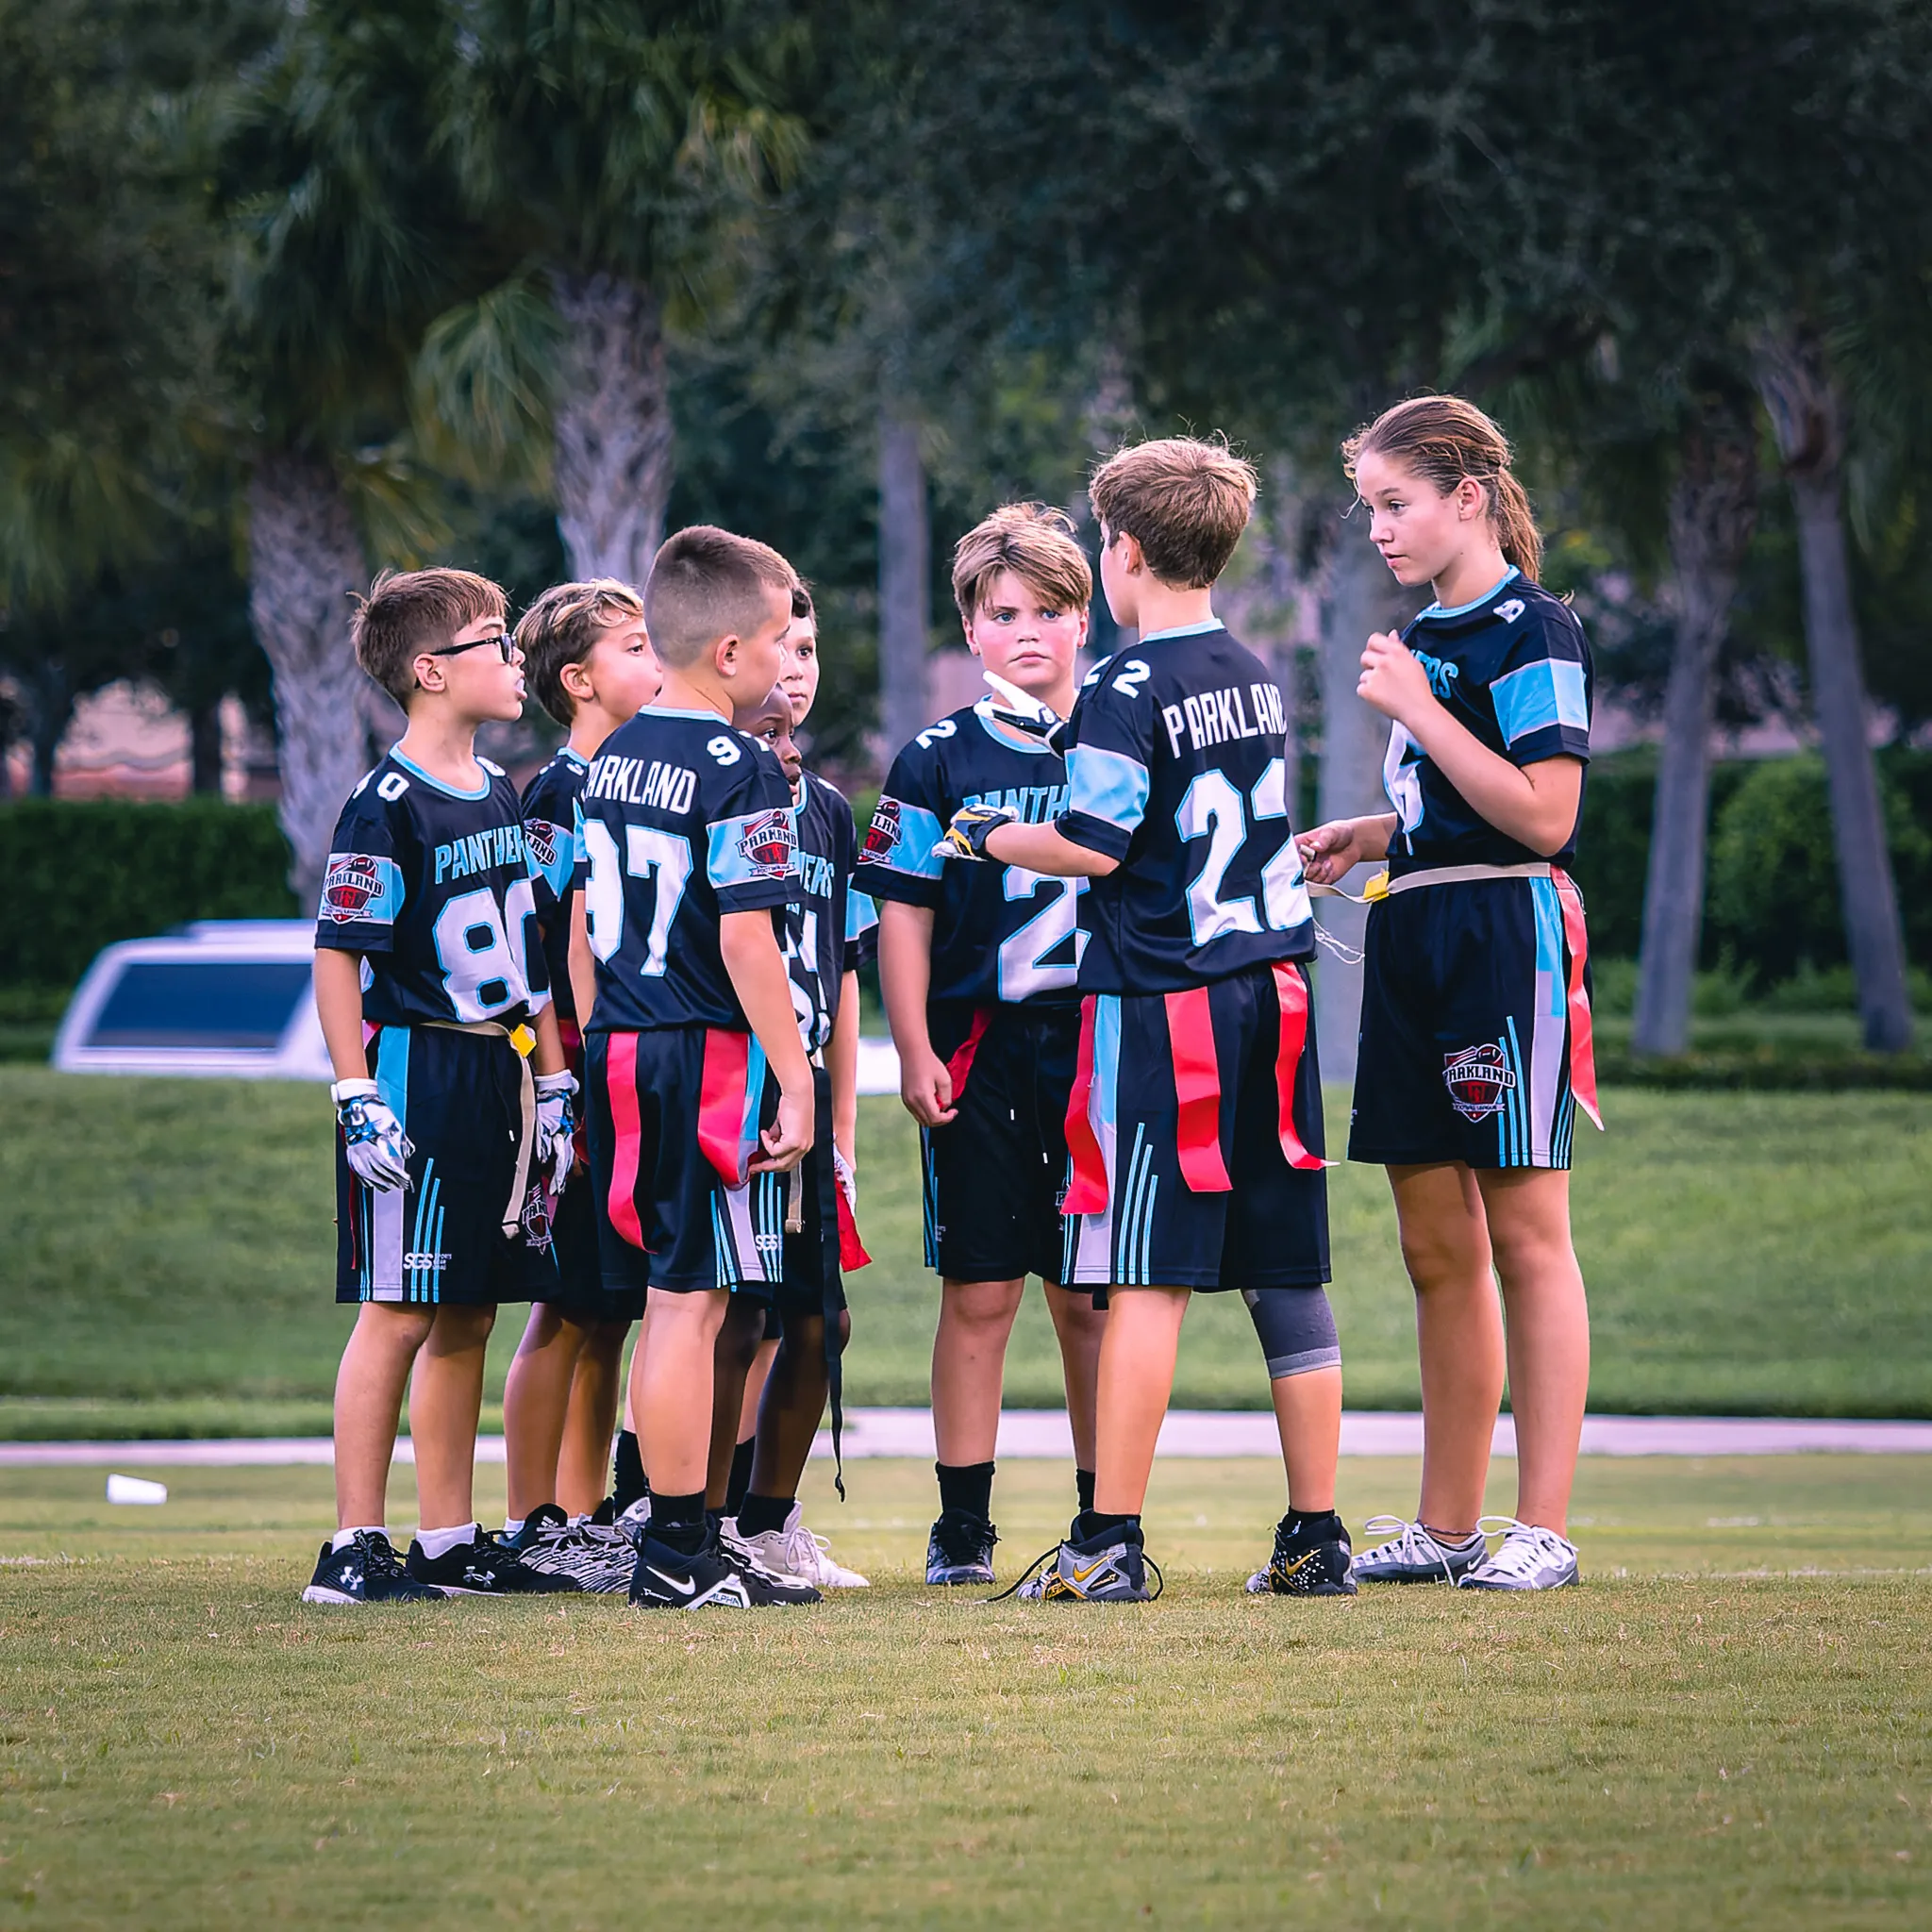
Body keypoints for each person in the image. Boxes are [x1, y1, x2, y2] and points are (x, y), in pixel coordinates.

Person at [941, 440, 1348, 1603]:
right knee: (1284, 1272)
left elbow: (1092, 841)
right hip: (1272, 992)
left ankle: (1105, 1538)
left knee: (1141, 1269)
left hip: (1164, 1000)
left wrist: (984, 834)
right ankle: (1315, 1532)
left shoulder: (1124, 684)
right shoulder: (1254, 669)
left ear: (1118, 551)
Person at [1296, 394, 1599, 1592]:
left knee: (1526, 1236)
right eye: (1368, 505)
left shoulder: (1533, 630)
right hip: (1411, 925)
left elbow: (1545, 813)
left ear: (1466, 496)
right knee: (1433, 1244)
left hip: (1500, 932)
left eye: (1394, 501)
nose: (1376, 528)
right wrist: (1371, 834)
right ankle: (1446, 1523)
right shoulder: (1423, 632)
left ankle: (1545, 1528)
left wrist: (1419, 708)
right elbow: (1456, 804)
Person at [303, 568, 578, 1605]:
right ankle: (352, 1541)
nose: (515, 659)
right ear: (429, 670)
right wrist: (352, 1089)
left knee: (467, 1308)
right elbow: (339, 955)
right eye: (494, 641)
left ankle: (448, 1536)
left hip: (498, 1068)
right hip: (419, 1062)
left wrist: (552, 1079)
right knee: (398, 1307)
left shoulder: (502, 790)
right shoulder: (384, 803)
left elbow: (532, 952)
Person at [570, 525, 821, 1609]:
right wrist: (798, 1074)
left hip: (621, 1038)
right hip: (702, 1047)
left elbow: (580, 924)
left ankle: (675, 1536)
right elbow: (744, 938)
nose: (784, 661)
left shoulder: (613, 753)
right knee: (690, 1299)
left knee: (677, 1295)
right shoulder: (739, 765)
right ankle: (677, 1546)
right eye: (775, 639)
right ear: (727, 651)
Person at [860, 504, 1109, 1589]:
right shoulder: (934, 758)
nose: (1027, 632)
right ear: (967, 626)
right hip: (981, 1042)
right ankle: (962, 1520)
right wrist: (910, 1044)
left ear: (1082, 617)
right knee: (979, 1288)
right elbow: (902, 913)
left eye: (1050, 610)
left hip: (1101, 1037)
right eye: (1003, 612)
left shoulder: (1118, 733)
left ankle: (1107, 1509)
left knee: (1090, 1294)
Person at [496, 578, 660, 1591]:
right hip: (572, 1077)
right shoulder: (561, 791)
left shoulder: (643, 780)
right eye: (636, 646)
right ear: (579, 679)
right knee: (561, 1306)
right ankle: (530, 1518)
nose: (656, 660)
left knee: (610, 1308)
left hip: (627, 1070)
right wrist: (562, 1078)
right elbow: (543, 947)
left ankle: (589, 1511)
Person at [713, 652, 874, 1591]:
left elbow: (842, 970)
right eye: (762, 730)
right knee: (730, 1307)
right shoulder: (712, 795)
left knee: (821, 1316)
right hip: (732, 1077)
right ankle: (694, 1514)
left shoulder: (827, 812)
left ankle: (767, 1518)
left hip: (805, 1084)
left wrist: (840, 1121)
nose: (783, 747)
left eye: (785, 731)